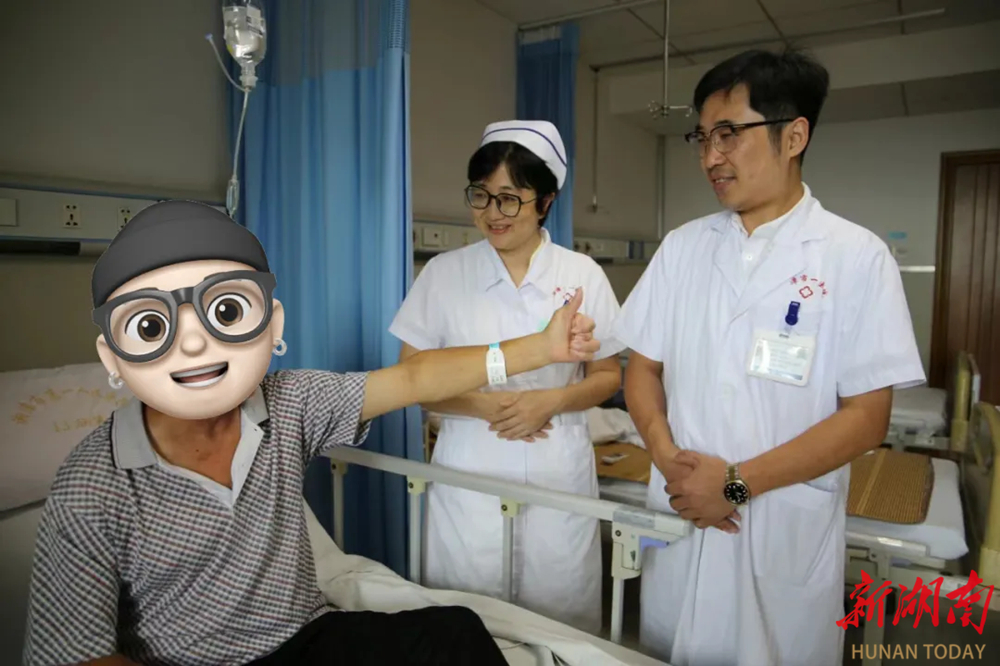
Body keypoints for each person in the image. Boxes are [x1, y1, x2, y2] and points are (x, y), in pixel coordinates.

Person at [22, 200, 603, 666]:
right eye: (152, 325)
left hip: (308, 639)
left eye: (226, 311)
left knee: (456, 632)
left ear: (271, 325)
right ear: (113, 356)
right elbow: (80, 655)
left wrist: (541, 349)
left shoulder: (290, 404)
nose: (194, 342)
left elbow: (414, 377)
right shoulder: (91, 485)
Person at [612, 49, 925, 666]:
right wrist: (667, 458)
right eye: (702, 137)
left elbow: (867, 418)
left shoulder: (856, 257)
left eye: (729, 133)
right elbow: (642, 369)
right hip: (683, 512)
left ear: (794, 136)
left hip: (780, 527)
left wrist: (735, 483)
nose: (710, 156)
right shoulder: (682, 248)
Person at [389, 120, 624, 633]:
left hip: (556, 469)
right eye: (481, 195)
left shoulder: (580, 274)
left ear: (545, 201)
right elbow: (410, 378)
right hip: (470, 470)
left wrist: (551, 401)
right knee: (465, 622)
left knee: (558, 622)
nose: (493, 213)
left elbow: (608, 375)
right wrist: (484, 406)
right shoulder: (444, 274)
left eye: (510, 199)